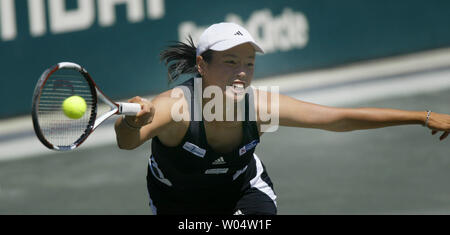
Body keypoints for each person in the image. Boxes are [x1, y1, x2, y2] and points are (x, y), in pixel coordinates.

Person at [114, 22, 450, 215]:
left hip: (241, 192)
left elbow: (337, 119)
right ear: (202, 66)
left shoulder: (259, 107)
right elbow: (126, 143)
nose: (242, 73)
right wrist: (131, 122)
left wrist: (423, 116)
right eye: (230, 62)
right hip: (178, 203)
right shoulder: (175, 108)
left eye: (249, 63)